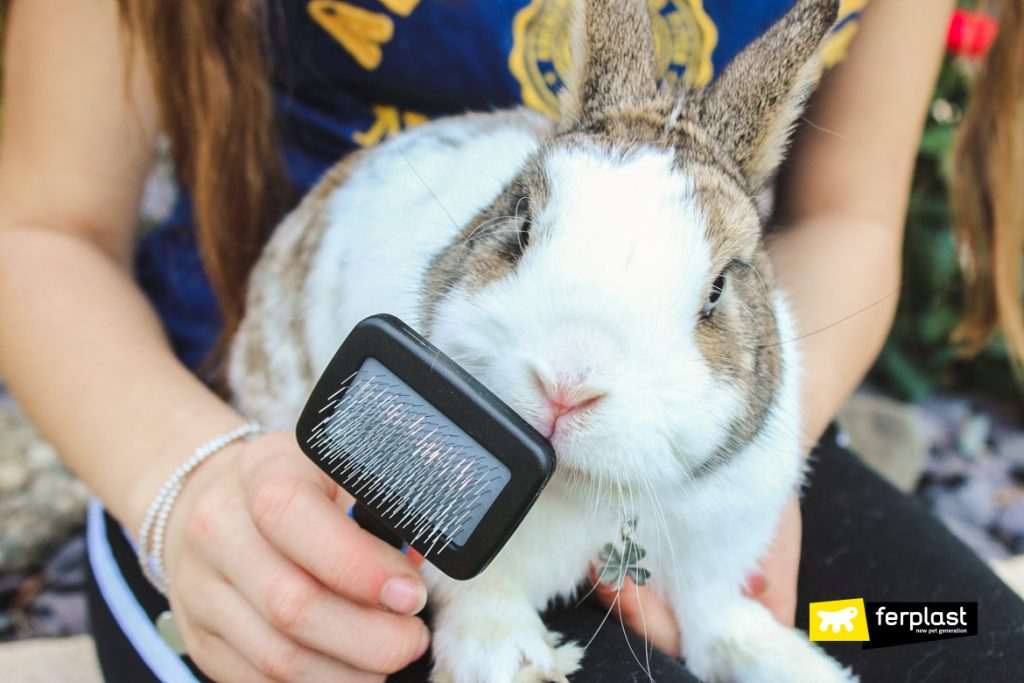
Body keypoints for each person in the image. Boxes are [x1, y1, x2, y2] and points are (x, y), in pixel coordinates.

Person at [0, 0, 1021, 681]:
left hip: (677, 441)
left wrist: (748, 467)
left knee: (946, 637)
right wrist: (188, 479)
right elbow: (40, 228)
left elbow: (843, 219)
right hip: (292, 453)